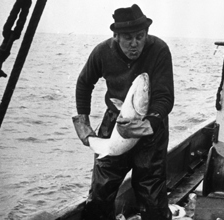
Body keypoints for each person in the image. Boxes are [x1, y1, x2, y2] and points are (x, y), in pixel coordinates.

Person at [74, 4, 174, 220]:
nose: (135, 44)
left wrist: (150, 123)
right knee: (101, 191)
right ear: (116, 36)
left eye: (140, 36)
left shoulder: (159, 50)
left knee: (151, 193)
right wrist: (83, 122)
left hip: (150, 125)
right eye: (128, 38)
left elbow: (165, 97)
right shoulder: (102, 52)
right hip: (115, 123)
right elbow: (84, 83)